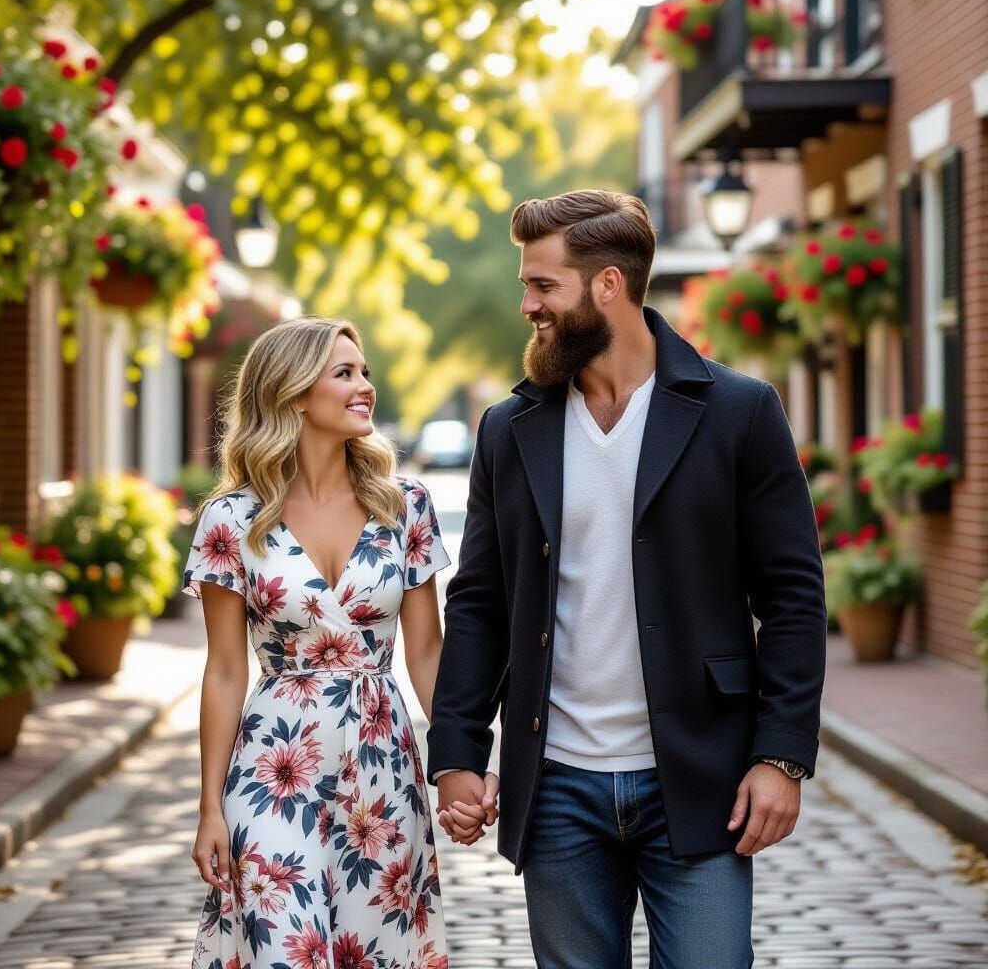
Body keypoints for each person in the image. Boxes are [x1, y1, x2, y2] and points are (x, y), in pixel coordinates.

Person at [428, 189, 826, 968]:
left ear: (607, 285)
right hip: (557, 787)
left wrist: (781, 757)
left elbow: (791, 596)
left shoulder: (739, 412)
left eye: (542, 286)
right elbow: (479, 601)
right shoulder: (510, 429)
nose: (527, 305)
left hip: (699, 777)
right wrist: (456, 754)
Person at [184, 317, 451, 969]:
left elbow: (426, 653)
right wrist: (210, 809)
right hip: (274, 768)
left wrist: (458, 762)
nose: (366, 386)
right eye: (345, 373)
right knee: (283, 949)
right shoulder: (231, 520)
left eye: (364, 371)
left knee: (374, 952)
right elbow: (223, 672)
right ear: (295, 394)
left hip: (382, 771)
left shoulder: (405, 506)